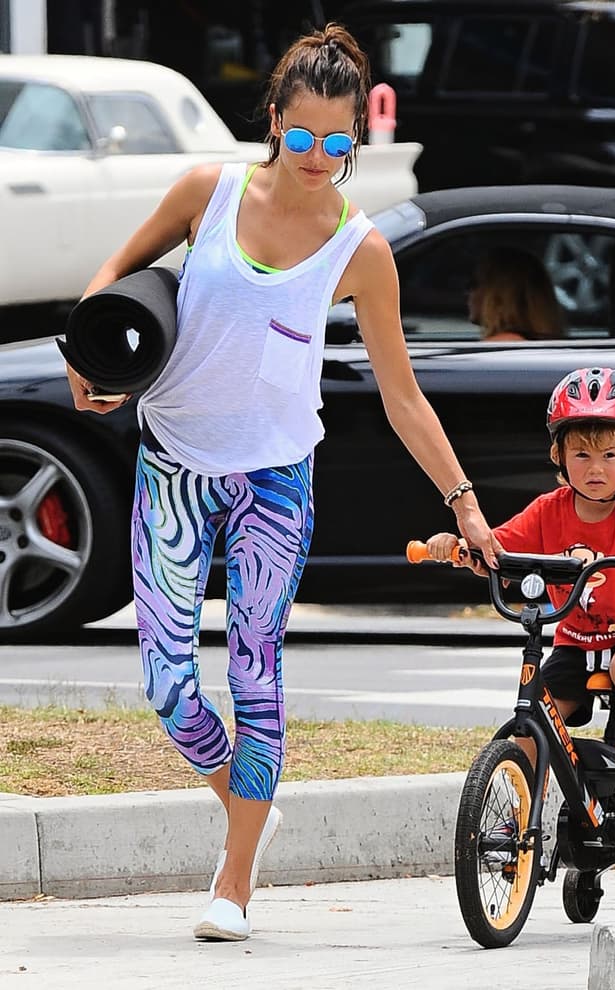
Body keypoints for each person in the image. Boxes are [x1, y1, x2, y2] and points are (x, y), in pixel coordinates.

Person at [64, 23, 499, 942]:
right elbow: (112, 275)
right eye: (301, 139)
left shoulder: (359, 248)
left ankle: (236, 876)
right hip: (172, 468)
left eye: (337, 146)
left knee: (255, 670)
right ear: (272, 121)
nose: (316, 159)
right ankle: (248, 802)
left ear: (355, 141)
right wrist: (86, 357)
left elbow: (403, 396)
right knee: (167, 683)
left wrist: (464, 501)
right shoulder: (206, 192)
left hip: (274, 484)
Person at [424, 366, 615, 792]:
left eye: (609, 455)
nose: (596, 468)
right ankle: (517, 815)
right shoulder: (547, 510)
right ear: (558, 456)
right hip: (577, 640)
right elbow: (496, 549)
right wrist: (457, 547)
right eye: (581, 455)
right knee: (535, 717)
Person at [467, 246, 565, 341]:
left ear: (500, 297)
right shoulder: (544, 343)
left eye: (473, 284)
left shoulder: (502, 344)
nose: (467, 292)